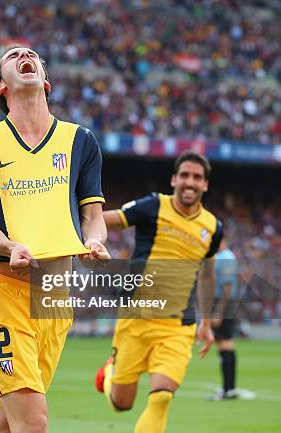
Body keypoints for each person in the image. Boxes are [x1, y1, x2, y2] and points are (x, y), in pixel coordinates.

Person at [0, 46, 109, 433]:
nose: (25, 54)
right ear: (0, 88)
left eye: (33, 54)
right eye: (13, 56)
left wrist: (94, 241)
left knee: (6, 425)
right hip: (3, 294)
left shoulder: (81, 140)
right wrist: (11, 246)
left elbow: (92, 217)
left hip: (55, 298)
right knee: (33, 422)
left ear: (45, 79)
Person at [95, 151, 222, 433]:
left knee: (162, 396)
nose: (190, 182)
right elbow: (106, 219)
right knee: (121, 403)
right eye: (185, 175)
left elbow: (208, 274)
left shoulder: (213, 228)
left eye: (197, 177)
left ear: (205, 185)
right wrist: (81, 226)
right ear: (174, 179)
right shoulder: (153, 206)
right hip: (136, 320)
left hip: (178, 326)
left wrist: (206, 322)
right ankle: (110, 375)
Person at [208, 238, 239, 400]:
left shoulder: (226, 257)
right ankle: (228, 388)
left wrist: (219, 312)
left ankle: (229, 389)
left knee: (226, 343)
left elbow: (227, 286)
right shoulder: (222, 256)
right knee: (222, 344)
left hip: (224, 304)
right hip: (222, 303)